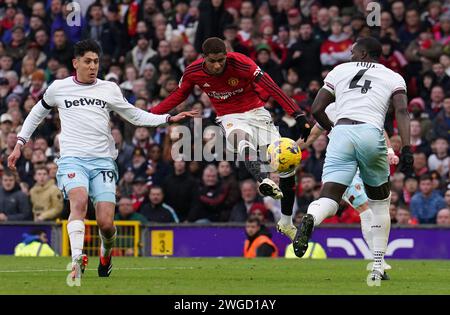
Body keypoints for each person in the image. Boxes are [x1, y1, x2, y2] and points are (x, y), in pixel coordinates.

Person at [7, 39, 195, 281]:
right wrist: (20, 143)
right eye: (87, 61)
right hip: (73, 159)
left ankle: (106, 254)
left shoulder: (109, 89)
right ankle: (76, 259)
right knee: (79, 202)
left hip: (103, 161)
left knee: (106, 223)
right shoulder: (58, 88)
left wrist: (167, 119)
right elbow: (36, 113)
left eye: (96, 61)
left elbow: (134, 115)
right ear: (76, 63)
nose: (93, 66)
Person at [150, 37, 312, 241]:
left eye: (221, 60)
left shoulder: (241, 62)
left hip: (257, 112)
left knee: (288, 165)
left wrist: (297, 114)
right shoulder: (193, 72)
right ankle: (263, 179)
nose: (218, 65)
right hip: (229, 116)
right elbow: (178, 95)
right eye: (213, 61)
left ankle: (286, 222)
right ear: (204, 58)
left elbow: (271, 86)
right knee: (239, 138)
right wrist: (149, 115)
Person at [293, 37, 413, 282]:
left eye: (354, 52)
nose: (350, 56)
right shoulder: (393, 77)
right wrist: (407, 147)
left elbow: (316, 110)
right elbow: (401, 111)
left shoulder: (339, 71)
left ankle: (311, 218)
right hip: (371, 133)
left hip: (341, 134)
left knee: (328, 196)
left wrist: (332, 130)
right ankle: (378, 267)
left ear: (366, 53)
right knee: (378, 206)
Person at [298, 102, 401, 272]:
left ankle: (311, 218)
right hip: (344, 170)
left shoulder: (362, 106)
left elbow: (379, 129)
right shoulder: (332, 108)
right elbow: (312, 135)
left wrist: (389, 150)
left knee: (373, 210)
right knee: (368, 210)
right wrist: (290, 148)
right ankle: (378, 261)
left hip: (360, 168)